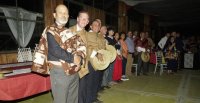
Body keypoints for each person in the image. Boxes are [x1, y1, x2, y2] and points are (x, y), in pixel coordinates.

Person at [46, 4, 85, 103]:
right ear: (54, 15)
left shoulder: (70, 32)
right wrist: (74, 59)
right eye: (61, 12)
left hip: (74, 70)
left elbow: (81, 46)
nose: (64, 15)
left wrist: (79, 59)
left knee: (73, 100)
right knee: (61, 100)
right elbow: (55, 51)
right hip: (60, 72)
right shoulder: (50, 31)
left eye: (66, 13)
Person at [69, 10, 89, 103]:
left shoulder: (86, 34)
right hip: (72, 66)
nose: (85, 21)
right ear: (77, 19)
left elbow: (89, 49)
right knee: (72, 93)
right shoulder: (70, 31)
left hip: (84, 67)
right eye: (83, 18)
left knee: (82, 91)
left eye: (87, 19)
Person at [86, 20, 104, 103]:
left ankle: (93, 98)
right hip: (91, 61)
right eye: (95, 25)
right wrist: (96, 54)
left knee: (96, 81)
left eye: (98, 25)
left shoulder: (99, 36)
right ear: (91, 26)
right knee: (90, 82)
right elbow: (87, 48)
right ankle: (89, 100)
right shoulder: (88, 34)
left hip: (99, 62)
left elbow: (102, 48)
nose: (97, 26)